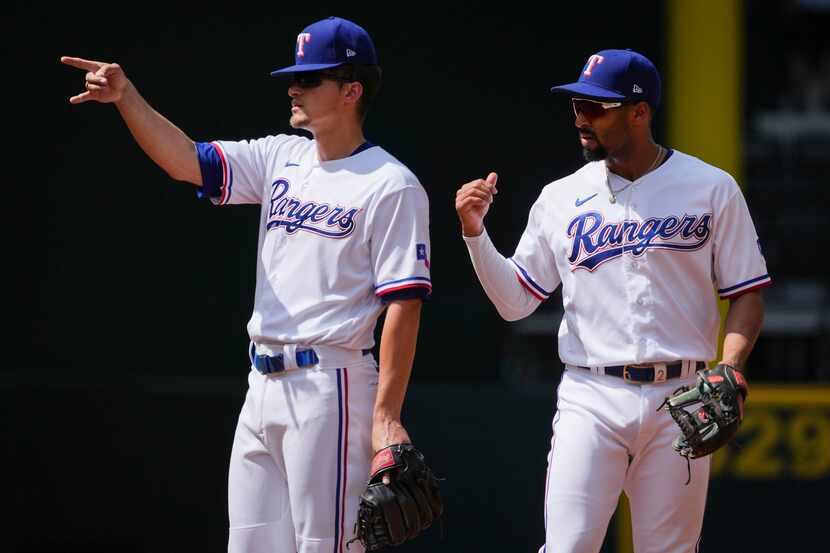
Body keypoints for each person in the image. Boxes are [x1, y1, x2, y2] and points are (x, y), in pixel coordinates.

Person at [62, 15, 432, 553]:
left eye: (310, 79)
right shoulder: (281, 156)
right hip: (261, 386)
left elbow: (404, 303)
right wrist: (127, 98)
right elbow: (189, 161)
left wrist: (386, 416)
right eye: (295, 76)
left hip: (331, 382)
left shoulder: (391, 184)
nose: (294, 86)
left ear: (351, 90)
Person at [455, 49, 769, 553]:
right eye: (577, 104)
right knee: (567, 547)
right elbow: (516, 302)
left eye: (596, 107)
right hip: (591, 394)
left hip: (683, 393)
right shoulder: (560, 196)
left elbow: (747, 290)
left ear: (640, 113)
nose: (581, 117)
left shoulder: (711, 188)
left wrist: (729, 368)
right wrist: (476, 236)